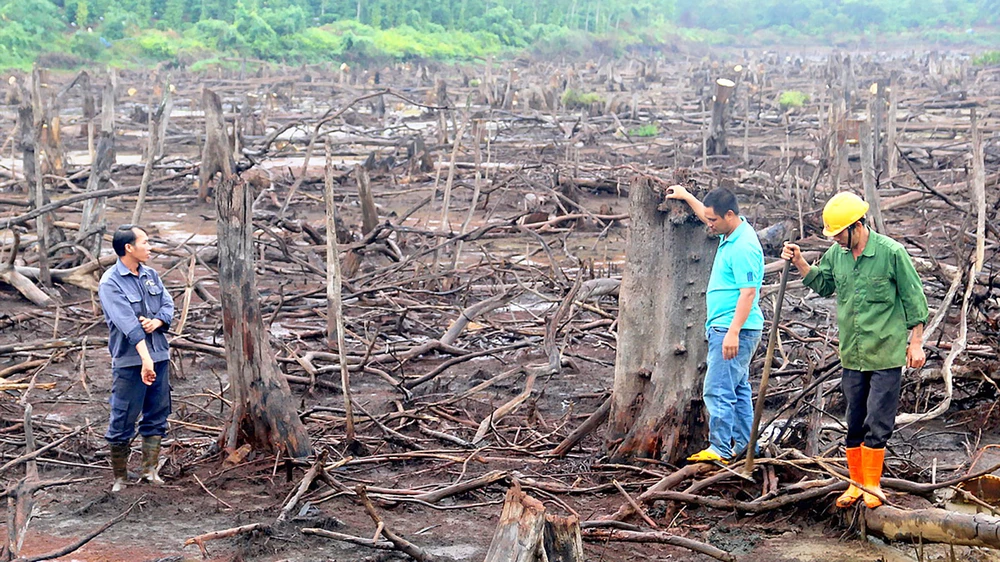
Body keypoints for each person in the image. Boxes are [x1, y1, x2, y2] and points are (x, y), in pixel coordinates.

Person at [781, 192, 928, 508]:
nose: (834, 239)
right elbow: (823, 284)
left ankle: (872, 485)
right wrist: (800, 262)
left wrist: (916, 342)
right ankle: (855, 484)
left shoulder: (891, 253)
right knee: (854, 419)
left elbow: (915, 299)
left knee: (878, 418)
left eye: (837, 233)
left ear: (856, 226)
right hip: (853, 353)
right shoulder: (838, 254)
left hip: (885, 352)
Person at [666, 185, 765, 464]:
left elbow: (748, 292)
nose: (708, 225)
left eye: (713, 220)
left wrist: (733, 332)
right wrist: (686, 196)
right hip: (730, 327)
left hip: (735, 329)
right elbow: (707, 213)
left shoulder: (743, 246)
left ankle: (720, 448)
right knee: (738, 388)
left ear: (729, 215)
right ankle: (747, 446)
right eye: (708, 219)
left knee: (717, 388)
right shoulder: (731, 231)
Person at [98, 225, 175, 492]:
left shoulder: (151, 275)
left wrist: (157, 321)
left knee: (158, 412)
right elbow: (127, 325)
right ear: (128, 248)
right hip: (131, 361)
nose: (150, 246)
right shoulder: (111, 283)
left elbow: (168, 305)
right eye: (145, 241)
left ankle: (149, 471)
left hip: (159, 355)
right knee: (123, 417)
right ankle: (120, 477)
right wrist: (145, 359)